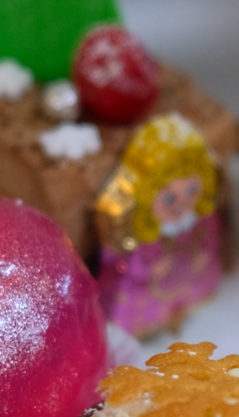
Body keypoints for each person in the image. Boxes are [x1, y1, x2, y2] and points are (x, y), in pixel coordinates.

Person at [95, 113, 222, 337]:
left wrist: (203, 253)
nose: (182, 204)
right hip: (146, 296)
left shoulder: (198, 221)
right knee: (145, 314)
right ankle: (148, 331)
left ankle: (178, 316)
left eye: (192, 191)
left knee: (186, 299)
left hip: (188, 278)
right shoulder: (143, 236)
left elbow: (211, 236)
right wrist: (150, 269)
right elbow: (126, 265)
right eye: (169, 198)